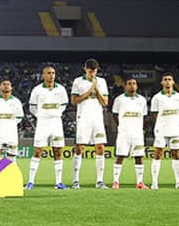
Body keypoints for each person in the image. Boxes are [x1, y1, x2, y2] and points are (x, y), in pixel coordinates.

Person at [27, 66, 69, 189]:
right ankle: (30, 181)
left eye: (53, 73)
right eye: (48, 73)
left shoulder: (61, 89)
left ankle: (58, 182)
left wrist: (55, 114)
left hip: (56, 122)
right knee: (37, 151)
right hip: (43, 123)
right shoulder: (37, 90)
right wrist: (41, 115)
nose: (51, 75)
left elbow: (64, 105)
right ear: (43, 75)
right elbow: (32, 107)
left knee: (58, 151)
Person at [70, 58, 109, 190]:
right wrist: (88, 91)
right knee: (80, 147)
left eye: (94, 71)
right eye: (90, 71)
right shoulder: (78, 81)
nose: (92, 73)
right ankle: (75, 180)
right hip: (84, 118)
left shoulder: (101, 82)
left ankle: (99, 181)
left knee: (100, 148)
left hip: (97, 118)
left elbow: (105, 102)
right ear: (85, 69)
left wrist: (96, 89)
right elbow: (74, 101)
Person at [149, 73, 179, 190]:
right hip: (161, 130)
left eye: (169, 79)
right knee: (158, 154)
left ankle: (178, 182)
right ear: (161, 82)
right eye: (165, 80)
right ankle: (154, 182)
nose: (167, 82)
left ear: (173, 82)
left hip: (175, 130)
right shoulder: (157, 97)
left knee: (176, 155)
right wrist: (161, 124)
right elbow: (154, 114)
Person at [111, 78, 148, 189]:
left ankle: (140, 182)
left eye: (134, 83)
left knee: (139, 157)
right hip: (124, 133)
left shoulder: (142, 100)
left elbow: (144, 116)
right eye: (129, 84)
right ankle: (116, 182)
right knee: (120, 156)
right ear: (125, 86)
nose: (132, 86)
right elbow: (115, 115)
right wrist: (122, 125)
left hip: (137, 133)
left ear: (137, 86)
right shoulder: (119, 100)